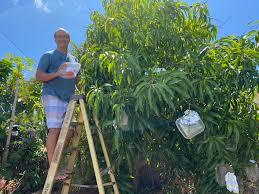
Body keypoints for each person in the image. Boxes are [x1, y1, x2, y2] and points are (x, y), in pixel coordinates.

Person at [36, 27, 80, 181]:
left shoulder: (73, 59)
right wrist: (57, 73)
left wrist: (83, 94)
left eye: (65, 36)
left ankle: (57, 163)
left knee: (68, 131)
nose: (63, 39)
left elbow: (78, 79)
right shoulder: (49, 56)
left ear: (69, 38)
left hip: (68, 99)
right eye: (60, 36)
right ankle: (53, 168)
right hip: (52, 94)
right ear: (55, 39)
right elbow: (39, 76)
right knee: (54, 129)